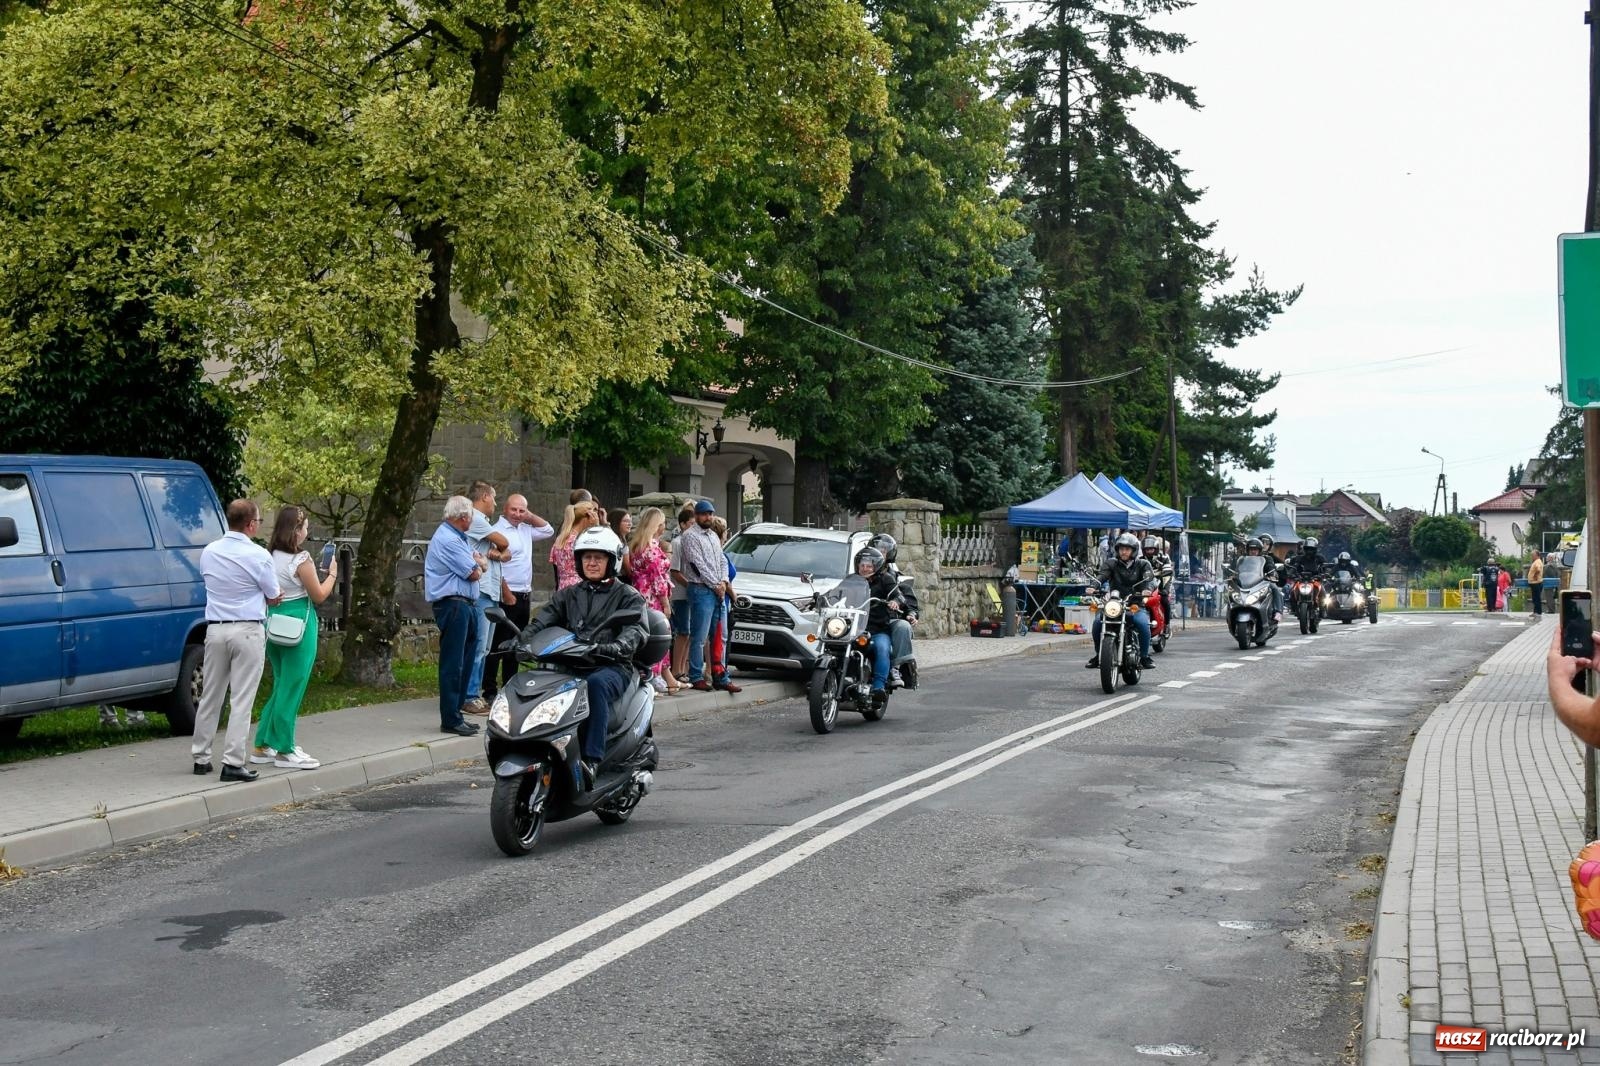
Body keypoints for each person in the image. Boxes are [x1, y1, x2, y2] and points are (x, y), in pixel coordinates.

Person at [524, 526, 649, 786]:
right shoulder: (569, 594)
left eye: (598, 558)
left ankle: (592, 759)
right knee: (538, 681)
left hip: (611, 665)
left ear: (612, 561)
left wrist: (617, 646)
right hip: (572, 662)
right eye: (586, 557)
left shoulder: (627, 596)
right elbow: (543, 620)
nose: (591, 563)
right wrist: (521, 639)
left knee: (595, 685)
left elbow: (636, 629)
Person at [192, 500, 283, 781]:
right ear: (251, 524)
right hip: (247, 629)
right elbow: (273, 594)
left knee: (210, 695)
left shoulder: (209, 551)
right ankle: (232, 761)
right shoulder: (258, 555)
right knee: (242, 698)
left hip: (216, 629)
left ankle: (200, 757)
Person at [251, 505, 338, 769]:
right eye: (305, 527)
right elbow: (319, 595)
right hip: (299, 624)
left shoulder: (270, 555)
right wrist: (333, 574)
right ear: (296, 531)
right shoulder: (302, 560)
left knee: (281, 684)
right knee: (293, 686)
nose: (307, 532)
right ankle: (285, 749)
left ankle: (263, 743)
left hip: (273, 623)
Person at [425, 496, 488, 737]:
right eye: (471, 515)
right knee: (454, 663)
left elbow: (481, 563)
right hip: (453, 604)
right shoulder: (448, 539)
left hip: (465, 605)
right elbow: (473, 572)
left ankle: (457, 714)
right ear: (463, 517)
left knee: (466, 660)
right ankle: (450, 718)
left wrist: (479, 563)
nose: (472, 520)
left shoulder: (459, 537)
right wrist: (478, 564)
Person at [487, 493, 554, 700]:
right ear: (504, 509)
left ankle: (509, 686)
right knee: (498, 643)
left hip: (525, 593)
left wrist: (529, 516)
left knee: (517, 642)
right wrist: (506, 592)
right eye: (513, 510)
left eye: (521, 510)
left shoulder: (525, 529)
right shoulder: (496, 531)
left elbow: (548, 530)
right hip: (507, 592)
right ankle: (489, 689)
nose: (517, 514)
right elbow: (494, 566)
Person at [462, 481, 513, 716]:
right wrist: (499, 552)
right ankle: (469, 696)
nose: (495, 502)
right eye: (493, 497)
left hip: (490, 590)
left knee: (485, 647)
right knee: (478, 646)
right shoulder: (475, 518)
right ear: (484, 496)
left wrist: (497, 554)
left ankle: (474, 694)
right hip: (481, 591)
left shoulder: (484, 522)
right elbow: (504, 543)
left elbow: (506, 552)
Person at [625, 507, 680, 694]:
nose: (664, 527)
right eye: (662, 523)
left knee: (646, 635)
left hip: (639, 592)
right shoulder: (651, 549)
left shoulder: (637, 546)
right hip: (652, 596)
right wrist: (666, 603)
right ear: (657, 525)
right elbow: (657, 579)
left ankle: (660, 676)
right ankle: (654, 676)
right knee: (658, 635)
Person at [678, 499, 730, 691]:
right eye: (704, 514)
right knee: (699, 636)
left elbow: (722, 560)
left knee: (720, 635)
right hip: (701, 589)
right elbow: (697, 565)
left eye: (710, 514)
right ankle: (696, 675)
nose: (708, 517)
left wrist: (723, 581)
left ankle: (720, 675)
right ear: (697, 515)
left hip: (717, 589)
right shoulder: (690, 536)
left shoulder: (714, 536)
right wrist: (716, 585)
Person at [1085, 533, 1157, 671]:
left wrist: (1147, 589)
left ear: (1133, 550)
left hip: (1135, 604)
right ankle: (1099, 654)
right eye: (1121, 549)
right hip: (1115, 604)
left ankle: (1144, 656)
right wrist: (1093, 586)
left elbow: (1150, 580)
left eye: (1127, 549)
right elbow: (1102, 576)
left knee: (1143, 624)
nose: (1124, 552)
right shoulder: (1111, 563)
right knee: (1097, 623)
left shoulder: (1143, 564)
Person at [853, 544, 909, 706]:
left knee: (883, 648)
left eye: (869, 566)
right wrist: (819, 600)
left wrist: (895, 602)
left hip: (877, 630)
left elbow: (900, 597)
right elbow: (836, 593)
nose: (865, 569)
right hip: (853, 630)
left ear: (876, 566)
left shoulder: (885, 579)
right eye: (862, 565)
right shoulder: (852, 580)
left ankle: (878, 688)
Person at [870, 532, 919, 690]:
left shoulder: (895, 578)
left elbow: (908, 601)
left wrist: (911, 614)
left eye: (883, 550)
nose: (879, 552)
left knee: (903, 626)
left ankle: (895, 668)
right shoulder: (861, 574)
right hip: (863, 618)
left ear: (890, 554)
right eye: (876, 548)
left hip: (888, 619)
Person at [704, 515, 743, 693]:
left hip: (724, 602)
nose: (727, 533)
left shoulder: (721, 553)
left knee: (722, 638)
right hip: (721, 600)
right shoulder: (718, 554)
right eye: (726, 531)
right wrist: (734, 596)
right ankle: (716, 672)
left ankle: (720, 671)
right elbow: (724, 580)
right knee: (719, 638)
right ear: (722, 533)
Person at [667, 502, 697, 681]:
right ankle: (676, 670)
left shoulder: (692, 543)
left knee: (689, 632)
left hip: (690, 594)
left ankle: (682, 669)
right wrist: (691, 585)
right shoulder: (677, 543)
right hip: (680, 594)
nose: (693, 527)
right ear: (683, 524)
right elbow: (675, 571)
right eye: (691, 524)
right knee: (683, 631)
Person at [550, 499, 600, 591]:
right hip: (580, 588)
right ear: (588, 517)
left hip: (563, 587)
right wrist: (596, 527)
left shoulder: (560, 539)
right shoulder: (581, 541)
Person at [1141, 535, 1175, 639]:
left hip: (1160, 585)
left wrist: (1165, 589)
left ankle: (1167, 625)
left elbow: (1167, 575)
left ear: (1156, 549)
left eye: (1151, 549)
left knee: (1165, 601)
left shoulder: (1164, 558)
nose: (1149, 551)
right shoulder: (1140, 560)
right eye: (1147, 549)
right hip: (1144, 587)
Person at [1528, 551, 1546, 617]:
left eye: (1533, 555)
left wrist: (1534, 576)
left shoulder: (1537, 562)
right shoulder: (1537, 561)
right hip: (1535, 583)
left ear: (1537, 555)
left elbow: (1538, 569)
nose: (1532, 557)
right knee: (1535, 598)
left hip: (1535, 583)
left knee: (1536, 598)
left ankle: (1538, 612)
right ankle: (1536, 611)